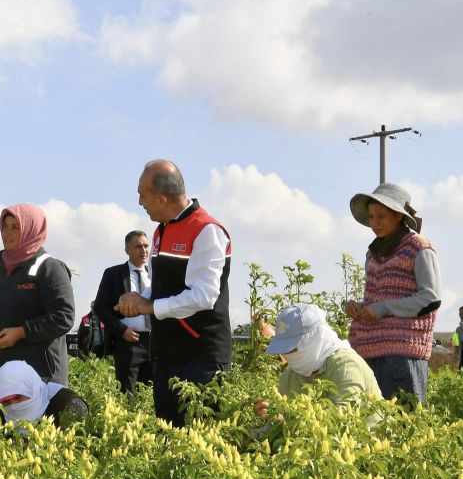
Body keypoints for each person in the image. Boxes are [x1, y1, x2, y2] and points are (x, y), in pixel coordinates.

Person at [117, 160, 232, 426]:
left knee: (200, 440)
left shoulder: (206, 231)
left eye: (142, 195)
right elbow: (162, 287)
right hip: (167, 355)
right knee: (169, 439)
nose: (140, 202)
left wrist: (149, 307)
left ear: (161, 198)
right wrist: (139, 298)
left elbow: (204, 296)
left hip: (200, 359)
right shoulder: (161, 231)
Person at [0, 203, 75, 395]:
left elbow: (63, 317)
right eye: (4, 226)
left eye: (15, 227)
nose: (7, 233)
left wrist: (22, 332)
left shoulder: (49, 268)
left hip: (40, 376)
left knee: (39, 416)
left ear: (32, 230)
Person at [345, 183, 441, 403]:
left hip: (402, 354)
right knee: (372, 421)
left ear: (399, 216)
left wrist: (381, 309)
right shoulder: (373, 253)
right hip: (369, 351)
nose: (374, 223)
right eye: (371, 217)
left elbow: (431, 299)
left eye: (381, 217)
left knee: (403, 420)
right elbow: (379, 298)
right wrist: (361, 308)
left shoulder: (419, 248)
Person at [253, 305, 381, 421]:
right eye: (284, 350)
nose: (287, 355)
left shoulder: (346, 364)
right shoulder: (290, 376)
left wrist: (287, 418)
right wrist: (259, 430)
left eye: (292, 348)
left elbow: (343, 416)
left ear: (313, 339)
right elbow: (279, 421)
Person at [94, 230, 154, 393]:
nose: (144, 251)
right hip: (127, 342)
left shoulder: (155, 275)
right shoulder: (113, 274)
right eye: (138, 247)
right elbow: (100, 307)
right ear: (127, 250)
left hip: (154, 343)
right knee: (128, 393)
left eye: (146, 246)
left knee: (152, 393)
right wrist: (121, 331)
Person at [0, 360, 88, 429]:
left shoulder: (67, 404)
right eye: (6, 401)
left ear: (31, 389)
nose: (13, 404)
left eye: (18, 397)